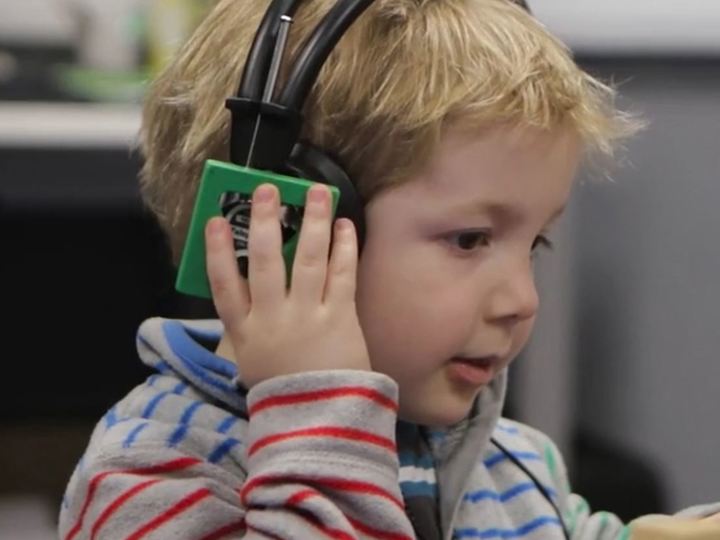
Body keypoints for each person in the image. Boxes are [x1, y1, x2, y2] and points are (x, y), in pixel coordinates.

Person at [59, 0, 720, 538]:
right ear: (282, 229)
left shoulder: (507, 463)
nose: (522, 300)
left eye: (536, 244)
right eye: (469, 239)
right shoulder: (156, 478)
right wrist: (320, 414)